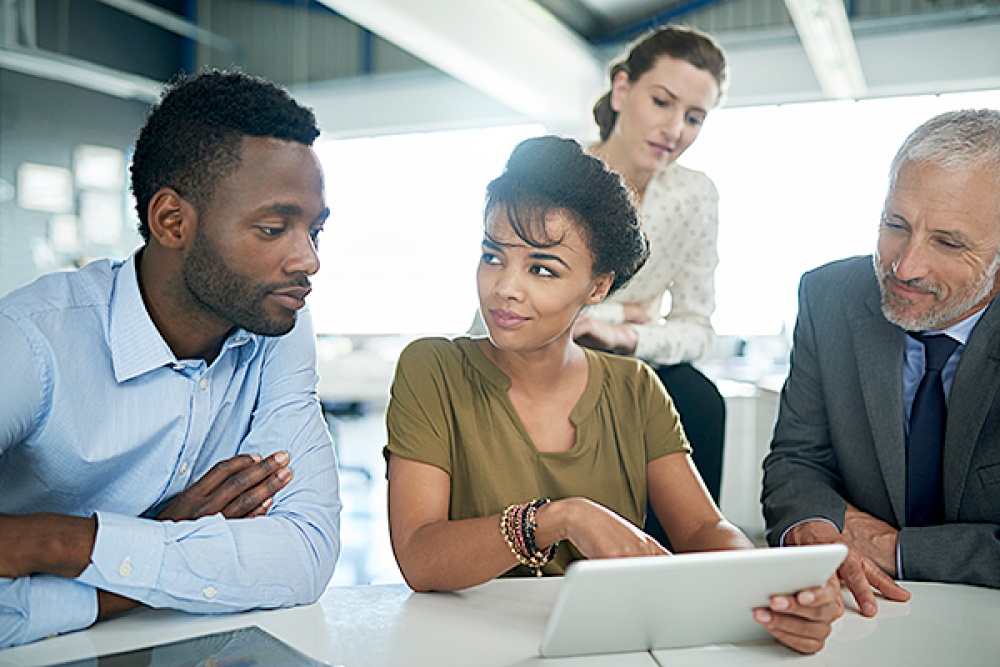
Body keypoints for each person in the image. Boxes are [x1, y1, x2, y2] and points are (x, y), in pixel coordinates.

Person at [387, 135, 842, 655]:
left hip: (612, 651)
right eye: (493, 256)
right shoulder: (433, 369)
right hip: (464, 648)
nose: (504, 287)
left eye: (541, 268)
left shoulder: (635, 388)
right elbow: (420, 555)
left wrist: (772, 594)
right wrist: (562, 516)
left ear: (597, 287)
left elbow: (700, 526)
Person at [0, 70, 341, 648]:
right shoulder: (31, 341)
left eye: (315, 229)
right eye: (273, 228)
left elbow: (303, 555)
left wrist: (60, 543)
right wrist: (168, 550)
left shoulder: (279, 326)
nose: (307, 260)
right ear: (171, 221)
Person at [762, 109, 1000, 620]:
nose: (904, 266)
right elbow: (797, 460)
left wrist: (896, 550)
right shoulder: (830, 296)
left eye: (948, 242)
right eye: (896, 224)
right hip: (854, 609)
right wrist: (816, 529)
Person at [572, 25, 729, 509]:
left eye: (694, 117)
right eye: (662, 102)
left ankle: (687, 564)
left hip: (630, 358)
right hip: (541, 349)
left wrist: (628, 335)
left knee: (701, 401)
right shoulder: (561, 173)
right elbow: (528, 303)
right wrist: (624, 312)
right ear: (622, 89)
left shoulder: (695, 194)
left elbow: (698, 327)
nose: (675, 130)